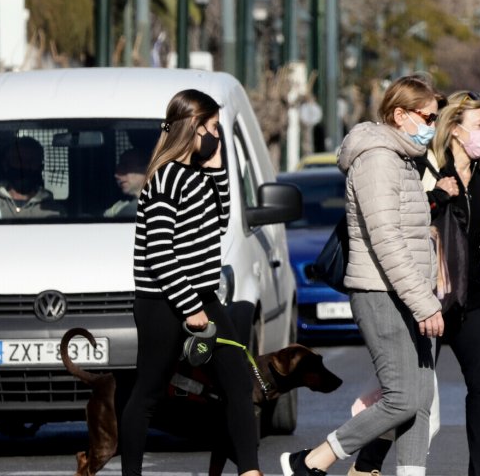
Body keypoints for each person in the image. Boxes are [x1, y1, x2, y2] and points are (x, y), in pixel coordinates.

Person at [281, 75, 446, 476]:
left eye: (436, 118)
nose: (432, 126)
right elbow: (387, 239)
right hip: (380, 292)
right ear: (399, 114)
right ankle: (312, 461)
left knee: (420, 397)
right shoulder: (377, 159)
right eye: (427, 117)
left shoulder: (403, 158)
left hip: (403, 292)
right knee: (403, 397)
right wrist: (425, 303)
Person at [353, 90, 480, 476]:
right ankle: (366, 467)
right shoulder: (424, 168)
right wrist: (438, 195)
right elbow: (403, 221)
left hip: (469, 297)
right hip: (425, 298)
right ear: (454, 129)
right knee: (406, 395)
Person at [120, 89, 261, 476]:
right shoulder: (165, 179)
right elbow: (159, 253)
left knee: (237, 385)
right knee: (148, 393)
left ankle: (250, 471)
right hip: (163, 302)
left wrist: (216, 165)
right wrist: (190, 308)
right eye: (213, 127)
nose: (216, 135)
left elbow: (219, 221)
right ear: (194, 128)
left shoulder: (197, 175)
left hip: (202, 296)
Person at [0, 136, 62, 218]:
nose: (25, 166)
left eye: (32, 161)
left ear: (40, 167)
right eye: (18, 160)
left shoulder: (54, 212)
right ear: (6, 165)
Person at [105, 147, 149, 218]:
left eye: (125, 167)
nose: (116, 175)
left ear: (146, 169)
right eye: (119, 167)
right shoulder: (121, 204)